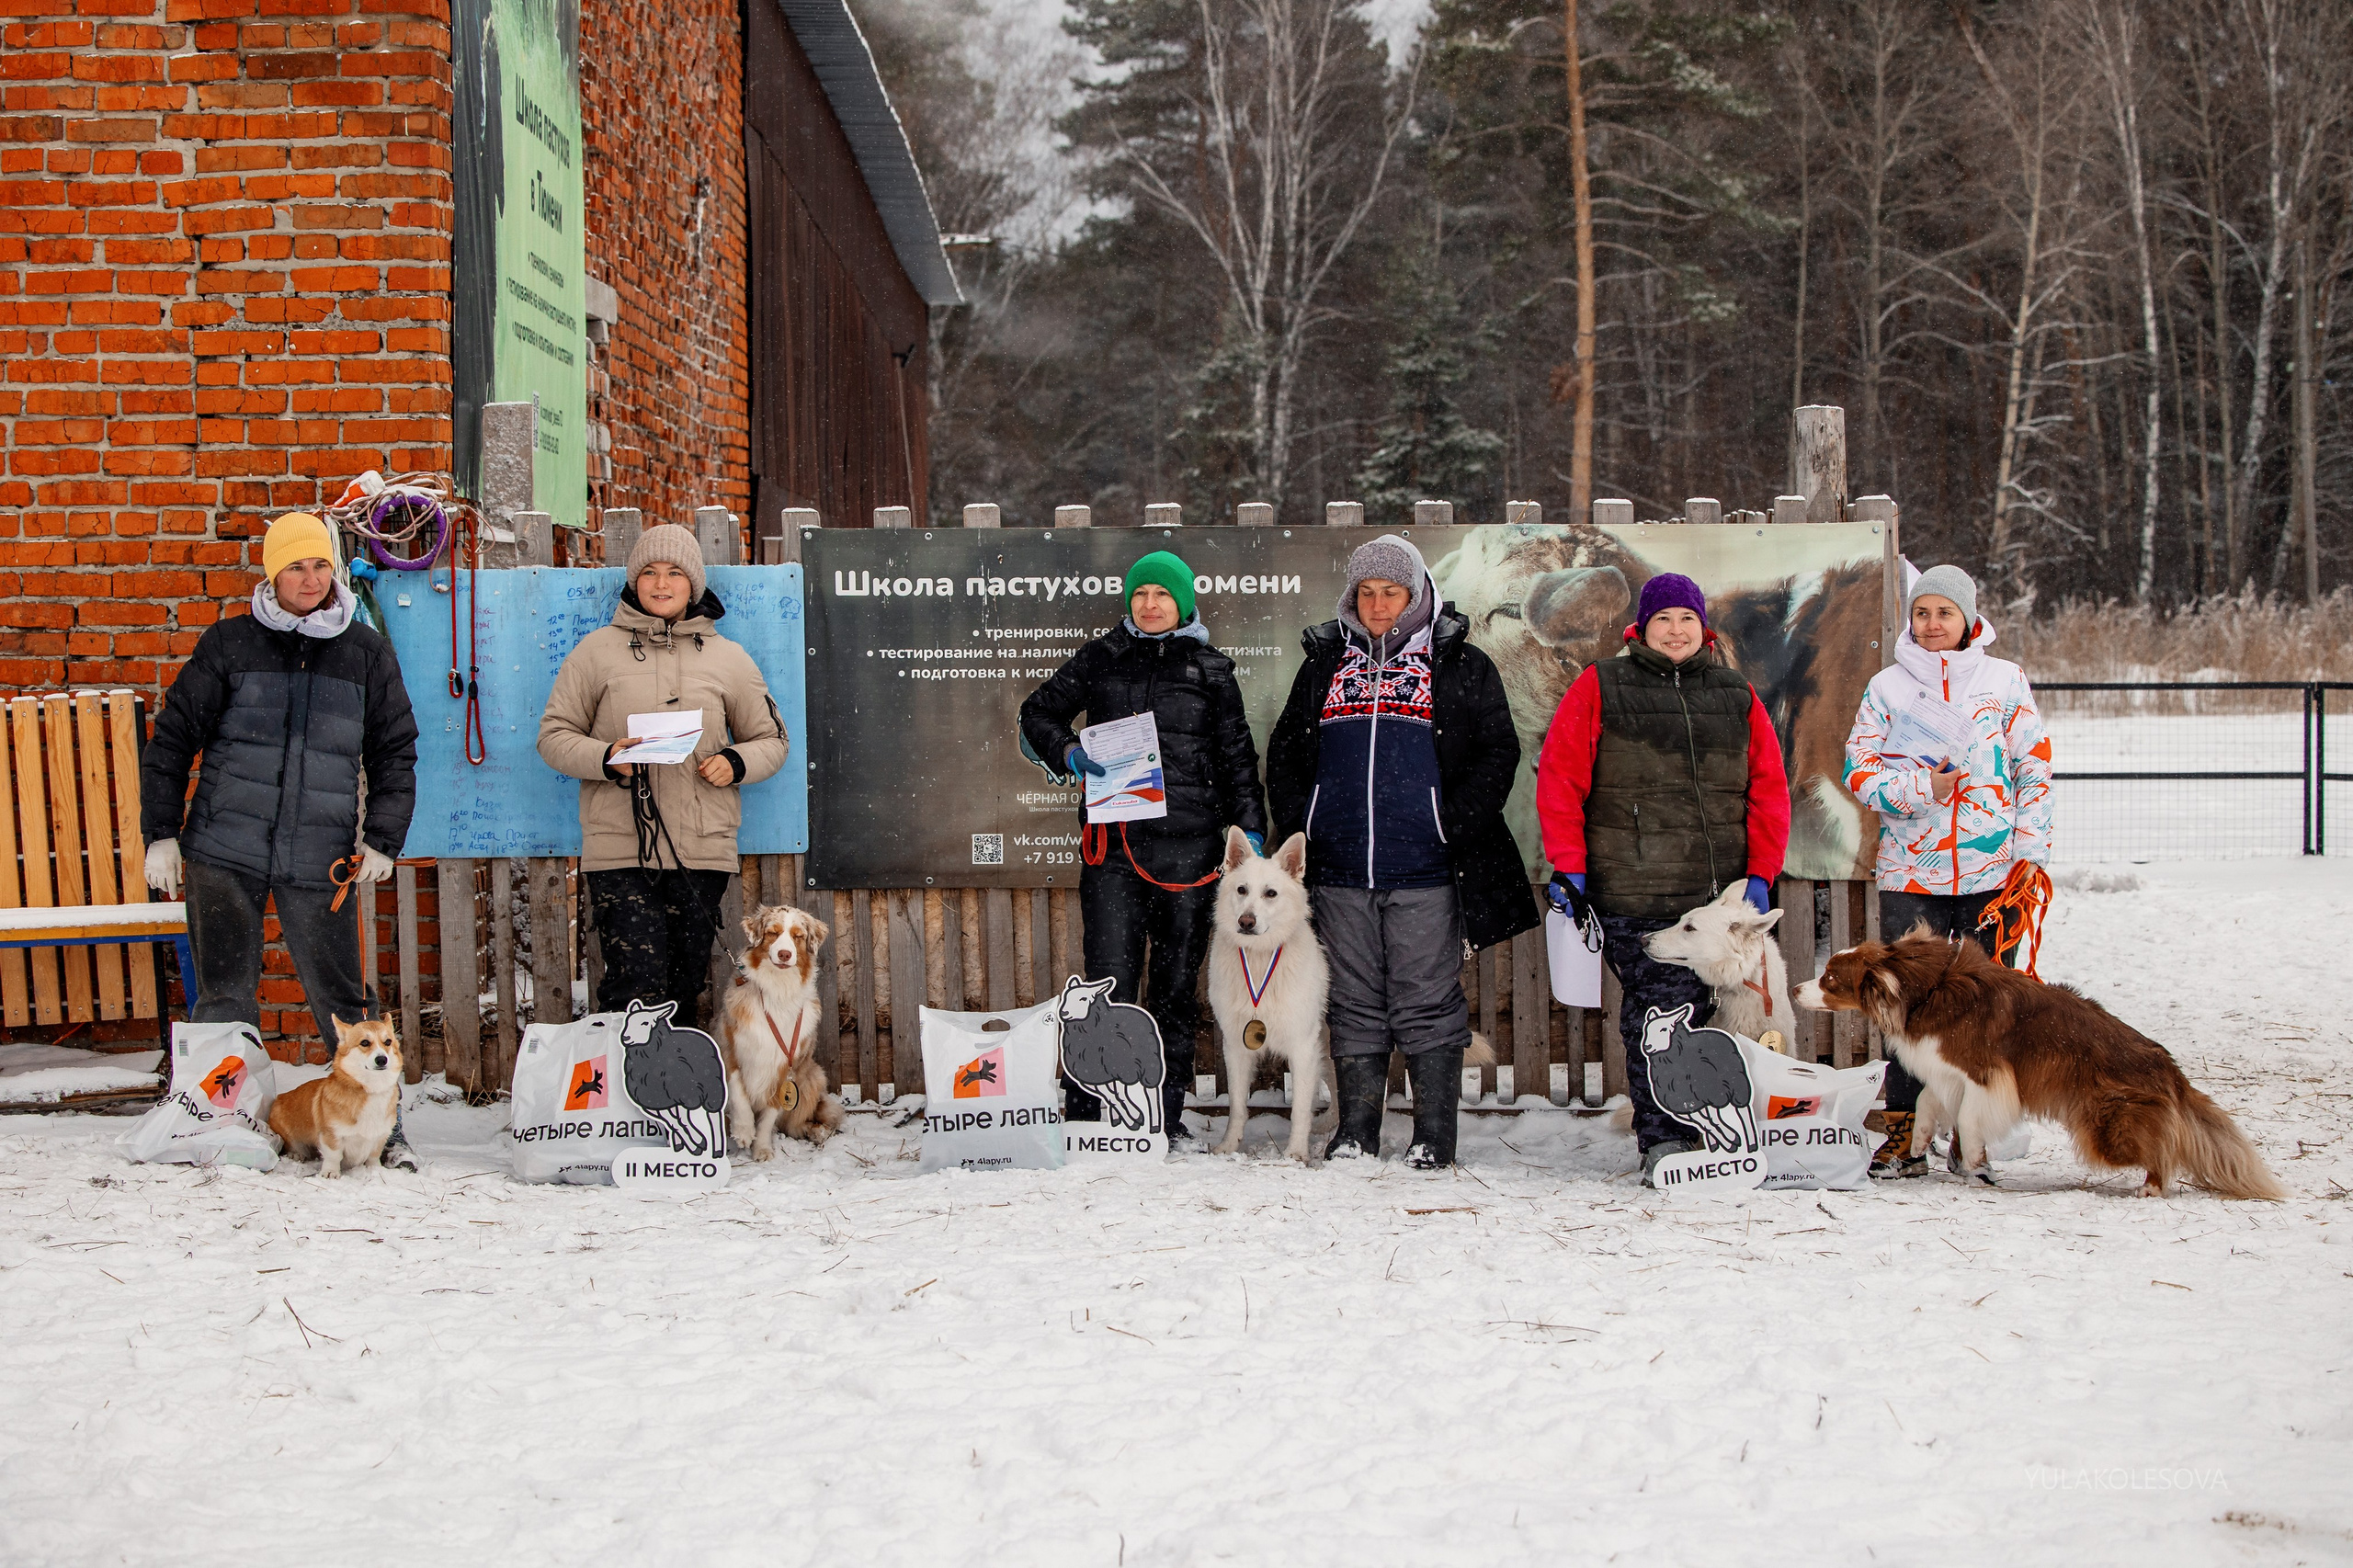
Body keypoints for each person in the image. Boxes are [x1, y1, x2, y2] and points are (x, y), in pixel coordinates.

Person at [141, 510, 422, 1167]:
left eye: (321, 564)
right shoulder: (229, 644)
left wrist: (382, 839)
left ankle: (383, 1131)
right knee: (223, 994)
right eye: (296, 566)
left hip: (320, 857)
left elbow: (395, 751)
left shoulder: (364, 651)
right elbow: (172, 739)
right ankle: (215, 1122)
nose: (311, 578)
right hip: (222, 850)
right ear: (272, 573)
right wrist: (162, 835)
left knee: (345, 1000)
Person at [1266, 534, 1537, 1169]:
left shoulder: (1460, 664)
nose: (1378, 605)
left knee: (1426, 999)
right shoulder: (1326, 664)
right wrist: (1307, 820)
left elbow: (1498, 752)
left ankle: (1433, 1140)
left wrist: (1447, 820)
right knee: (1353, 999)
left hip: (1427, 870)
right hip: (1339, 869)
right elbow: (1286, 752)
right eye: (1367, 593)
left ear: (1416, 596)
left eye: (1391, 592)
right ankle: (1356, 1133)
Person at [1534, 572, 1791, 1187]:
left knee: (1712, 1021)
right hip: (1634, 892)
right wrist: (1570, 863)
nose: (1676, 631)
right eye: (1663, 620)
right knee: (1662, 1019)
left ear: (1703, 628)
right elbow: (1561, 779)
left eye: (1687, 619)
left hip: (1714, 900)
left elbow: (1769, 788)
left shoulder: (1735, 694)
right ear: (1641, 628)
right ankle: (1665, 1143)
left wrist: (1761, 872)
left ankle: (1718, 1135)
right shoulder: (1601, 685)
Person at [1019, 550, 1268, 1138]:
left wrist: (1251, 830)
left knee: (1176, 988)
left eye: (1161, 595)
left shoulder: (1211, 670)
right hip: (1115, 851)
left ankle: (1163, 1117)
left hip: (1191, 853)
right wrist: (1068, 751)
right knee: (1108, 982)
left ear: (1182, 603)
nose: (1150, 604)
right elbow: (1037, 713)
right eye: (1140, 594)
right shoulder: (1101, 658)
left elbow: (1237, 757)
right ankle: (1089, 1118)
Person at [1843, 563, 2052, 1176]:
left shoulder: (2005, 681)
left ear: (1969, 619)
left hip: (1994, 875)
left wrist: (2028, 856)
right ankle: (1904, 1138)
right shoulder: (1887, 687)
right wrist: (1921, 789)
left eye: (1945, 613)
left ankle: (1974, 1138)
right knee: (1904, 1008)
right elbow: (1859, 770)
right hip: (1912, 873)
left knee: (1989, 1008)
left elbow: (2035, 768)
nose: (1932, 624)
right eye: (1922, 613)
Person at [538, 524, 790, 1027]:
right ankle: (626, 1076)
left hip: (701, 848)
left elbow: (772, 740)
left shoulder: (729, 659)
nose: (661, 583)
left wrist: (735, 762)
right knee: (633, 985)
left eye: (674, 572)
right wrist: (606, 756)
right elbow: (554, 736)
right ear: (634, 581)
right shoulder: (595, 652)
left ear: (693, 583)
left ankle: (678, 1076)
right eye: (649, 572)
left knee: (684, 982)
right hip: (619, 848)